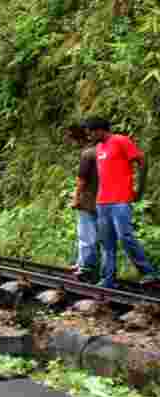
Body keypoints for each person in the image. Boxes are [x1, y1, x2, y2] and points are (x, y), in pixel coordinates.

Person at [80, 116, 158, 288]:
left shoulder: (121, 141)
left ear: (100, 130)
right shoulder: (99, 147)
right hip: (102, 202)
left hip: (121, 200)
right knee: (107, 242)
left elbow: (142, 161)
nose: (89, 136)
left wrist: (139, 190)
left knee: (125, 237)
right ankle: (108, 279)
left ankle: (149, 272)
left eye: (90, 132)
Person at [67, 125, 99, 282]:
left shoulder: (87, 153)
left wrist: (76, 198)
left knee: (86, 234)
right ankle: (82, 263)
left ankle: (86, 266)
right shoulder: (101, 150)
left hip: (88, 199)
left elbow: (82, 179)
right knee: (95, 235)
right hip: (103, 198)